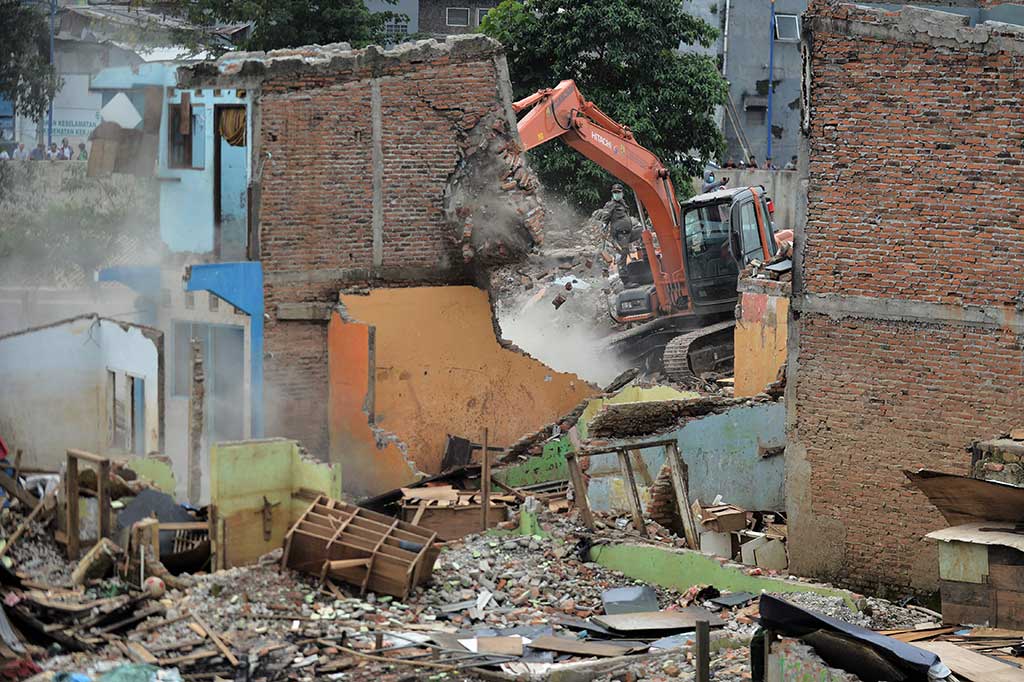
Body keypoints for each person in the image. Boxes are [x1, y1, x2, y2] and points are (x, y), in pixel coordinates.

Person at [603, 183, 642, 272]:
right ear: (612, 194)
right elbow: (605, 218)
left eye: (618, 192)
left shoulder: (623, 204)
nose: (617, 194)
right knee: (623, 252)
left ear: (622, 193)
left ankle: (644, 254)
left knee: (642, 232)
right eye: (615, 192)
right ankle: (623, 274)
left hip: (628, 233)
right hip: (620, 234)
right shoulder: (610, 205)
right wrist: (603, 227)